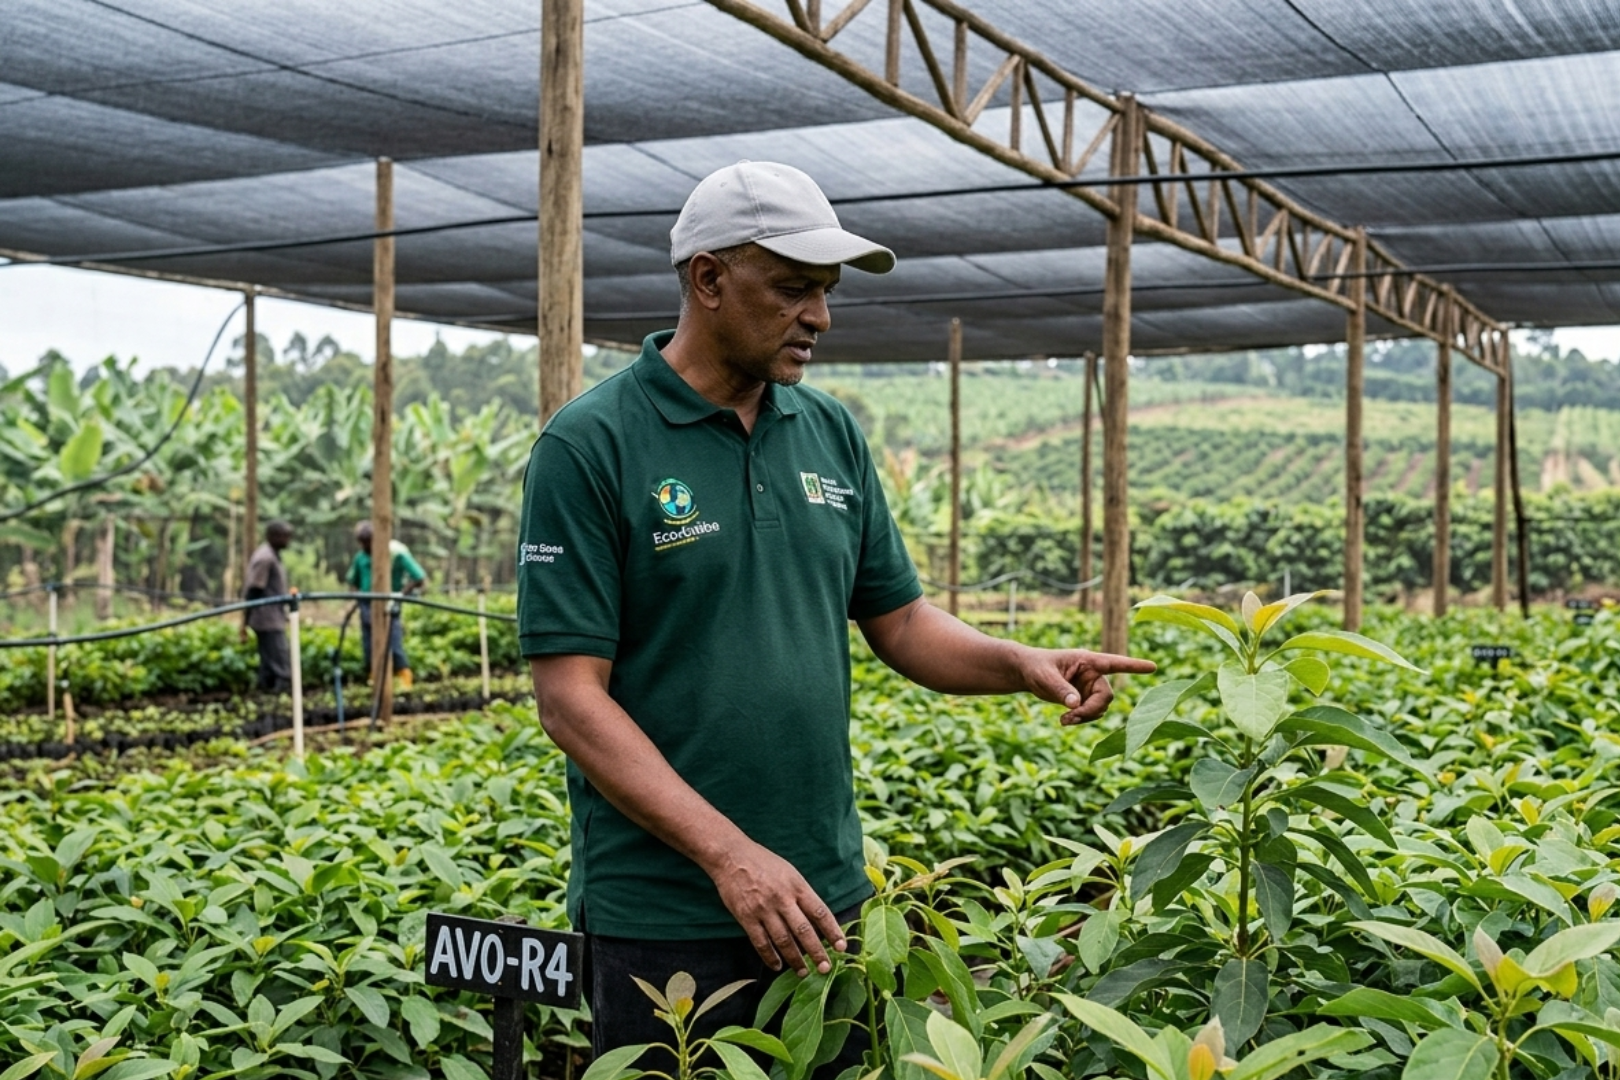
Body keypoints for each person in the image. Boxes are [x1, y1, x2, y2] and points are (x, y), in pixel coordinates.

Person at [517, 161, 1155, 1073]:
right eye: (792, 290)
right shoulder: (591, 445)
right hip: (665, 916)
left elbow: (898, 622)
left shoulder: (829, 433)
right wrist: (733, 857)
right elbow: (571, 700)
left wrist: (1019, 662)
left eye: (824, 293)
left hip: (824, 898)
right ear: (707, 279)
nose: (819, 317)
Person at [346, 521, 426, 690]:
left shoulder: (395, 554)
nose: (365, 546)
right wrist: (358, 597)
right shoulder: (361, 558)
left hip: (389, 603)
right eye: (362, 542)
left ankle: (404, 680)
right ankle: (375, 680)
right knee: (369, 645)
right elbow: (352, 581)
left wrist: (399, 595)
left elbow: (419, 578)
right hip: (367, 605)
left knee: (393, 641)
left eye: (368, 542)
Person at [241, 520, 293, 692]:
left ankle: (265, 690)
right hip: (267, 617)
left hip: (272, 614)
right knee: (278, 657)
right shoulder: (265, 558)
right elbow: (255, 588)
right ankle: (280, 690)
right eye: (284, 536)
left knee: (268, 658)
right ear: (273, 536)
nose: (287, 540)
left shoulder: (272, 555)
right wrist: (245, 619)